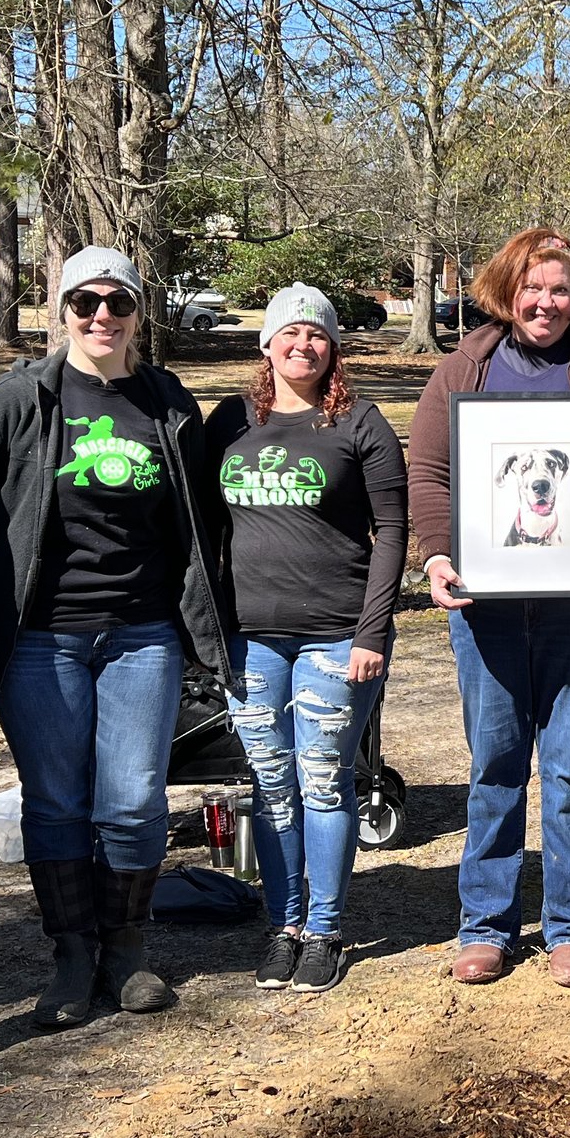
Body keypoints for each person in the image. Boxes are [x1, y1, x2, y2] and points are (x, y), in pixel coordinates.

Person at [0, 246, 227, 1028]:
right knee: (56, 802)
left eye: (118, 302)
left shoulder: (166, 401)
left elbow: (198, 519)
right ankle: (72, 953)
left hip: (142, 633)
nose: (102, 316)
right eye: (85, 302)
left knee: (136, 798)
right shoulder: (14, 401)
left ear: (140, 312)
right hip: (41, 637)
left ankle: (126, 948)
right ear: (62, 309)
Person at [407, 227, 570, 989]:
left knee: (569, 766)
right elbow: (428, 468)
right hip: (486, 608)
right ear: (505, 290)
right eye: (531, 287)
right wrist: (438, 553)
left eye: (559, 289)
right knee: (494, 764)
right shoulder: (463, 371)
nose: (544, 302)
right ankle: (484, 923)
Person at [207, 284, 407, 995]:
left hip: (335, 637)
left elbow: (392, 537)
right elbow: (204, 531)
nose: (303, 344)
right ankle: (282, 925)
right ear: (267, 343)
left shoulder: (360, 422)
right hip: (250, 639)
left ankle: (324, 928)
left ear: (333, 347)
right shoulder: (230, 420)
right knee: (269, 785)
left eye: (317, 334)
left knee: (323, 780)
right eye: (289, 333)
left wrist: (371, 632)